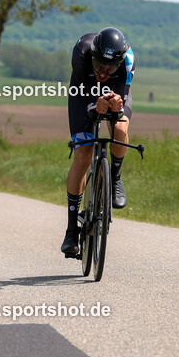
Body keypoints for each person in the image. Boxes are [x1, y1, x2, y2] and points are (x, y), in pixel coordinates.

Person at [61, 27, 135, 257]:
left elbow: (122, 92)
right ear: (93, 57)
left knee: (120, 128)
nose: (104, 71)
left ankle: (114, 177)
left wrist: (115, 104)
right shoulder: (82, 53)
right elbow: (83, 93)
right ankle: (72, 229)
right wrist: (95, 105)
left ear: (120, 62)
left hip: (115, 91)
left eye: (110, 67)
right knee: (83, 154)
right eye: (100, 65)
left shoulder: (128, 61)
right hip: (84, 91)